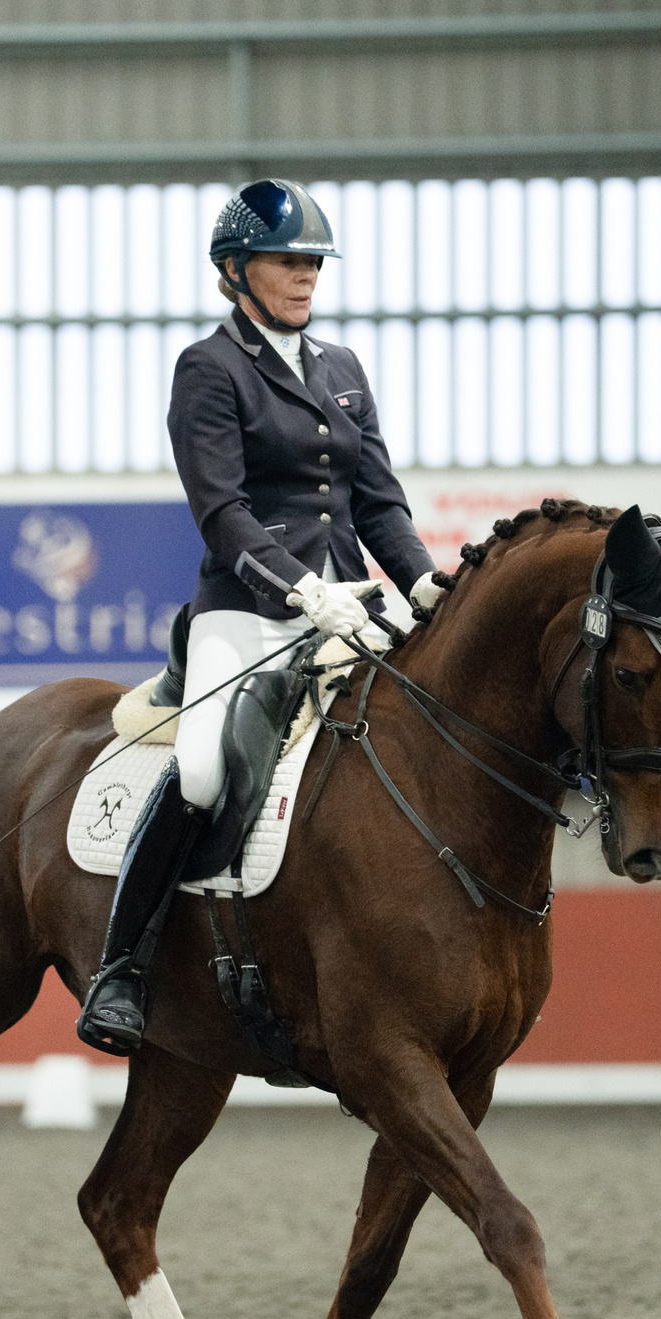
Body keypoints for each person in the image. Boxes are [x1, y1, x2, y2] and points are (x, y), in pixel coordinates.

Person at [76, 178, 449, 1057]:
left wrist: (424, 584)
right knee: (203, 770)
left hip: (350, 608)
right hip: (246, 611)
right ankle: (122, 968)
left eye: (314, 261)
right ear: (237, 270)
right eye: (289, 261)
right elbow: (223, 510)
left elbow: (379, 503)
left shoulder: (344, 371)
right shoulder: (208, 369)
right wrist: (299, 587)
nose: (306, 275)